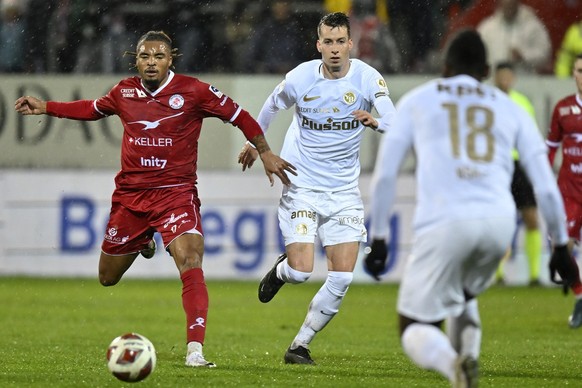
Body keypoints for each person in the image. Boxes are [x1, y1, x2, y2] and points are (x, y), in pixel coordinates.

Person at [14, 30, 296, 367]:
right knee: (107, 277)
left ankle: (195, 351)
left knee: (191, 261)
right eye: (145, 56)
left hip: (176, 194)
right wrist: (46, 106)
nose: (151, 62)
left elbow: (241, 116)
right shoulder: (124, 91)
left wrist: (263, 151)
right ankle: (145, 240)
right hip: (131, 198)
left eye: (158, 56)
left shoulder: (195, 91)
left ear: (170, 59)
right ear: (135, 59)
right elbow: (91, 109)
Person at [364, 29, 575, 386]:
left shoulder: (418, 100)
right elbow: (546, 185)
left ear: (445, 66)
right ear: (485, 70)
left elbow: (385, 175)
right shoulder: (510, 106)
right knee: (462, 294)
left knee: (414, 325)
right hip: (498, 224)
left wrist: (380, 237)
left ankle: (453, 367)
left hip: (443, 221)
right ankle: (469, 360)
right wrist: (561, 246)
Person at [238, 12, 395, 365]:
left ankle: (299, 345)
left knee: (341, 278)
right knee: (301, 271)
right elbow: (272, 104)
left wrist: (377, 122)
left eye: (341, 41)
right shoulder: (301, 77)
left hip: (343, 192)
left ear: (350, 44)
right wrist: (256, 145)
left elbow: (394, 120)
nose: (335, 49)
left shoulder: (368, 79)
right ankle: (283, 271)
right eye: (328, 42)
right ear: (318, 45)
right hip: (303, 185)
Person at [493, 62, 542, 286]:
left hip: (519, 165)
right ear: (495, 78)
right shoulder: (486, 102)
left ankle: (534, 275)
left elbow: (530, 137)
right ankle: (498, 275)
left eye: (507, 76)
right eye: (500, 76)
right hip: (495, 165)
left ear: (512, 78)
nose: (504, 80)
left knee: (531, 217)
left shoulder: (521, 102)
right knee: (500, 220)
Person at [547, 53, 582, 328]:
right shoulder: (562, 108)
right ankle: (580, 295)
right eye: (580, 70)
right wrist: (545, 177)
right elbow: (550, 148)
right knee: (561, 247)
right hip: (568, 189)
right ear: (573, 74)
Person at [477, 0, 551, 74]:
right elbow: (478, 55)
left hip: (526, 81)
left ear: (517, 3)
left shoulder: (532, 26)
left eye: (511, 5)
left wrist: (524, 56)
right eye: (506, 5)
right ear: (500, 4)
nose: (509, 9)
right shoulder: (487, 28)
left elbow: (544, 54)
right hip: (494, 80)